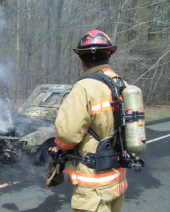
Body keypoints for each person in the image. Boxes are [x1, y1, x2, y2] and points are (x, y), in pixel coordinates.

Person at [54, 30, 128, 212]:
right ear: (108, 58)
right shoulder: (122, 85)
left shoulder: (84, 88)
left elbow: (66, 137)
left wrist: (59, 147)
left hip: (93, 185)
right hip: (117, 180)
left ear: (81, 61)